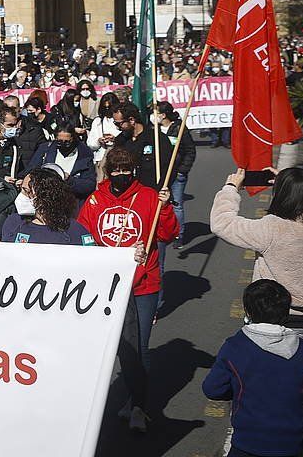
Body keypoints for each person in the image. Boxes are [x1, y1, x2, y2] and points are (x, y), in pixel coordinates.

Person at [77, 147, 178, 432]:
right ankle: (133, 393)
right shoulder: (96, 200)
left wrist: (166, 207)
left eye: (126, 169)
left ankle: (139, 406)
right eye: (116, 170)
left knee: (141, 345)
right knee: (121, 345)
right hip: (109, 284)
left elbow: (168, 234)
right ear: (108, 172)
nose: (121, 175)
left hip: (144, 284)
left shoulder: (149, 197)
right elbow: (84, 237)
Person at [203, 279, 303, 457]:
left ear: (248, 312)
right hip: (291, 444)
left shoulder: (235, 347)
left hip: (247, 442)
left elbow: (212, 389)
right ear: (286, 313)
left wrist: (237, 391)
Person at [210, 167, 303, 352]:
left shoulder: (273, 229)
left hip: (274, 331)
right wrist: (301, 185)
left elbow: (222, 224)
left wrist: (230, 188)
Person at [0, 166, 94, 245]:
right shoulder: (13, 223)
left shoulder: (74, 230)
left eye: (27, 191)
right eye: (21, 190)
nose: (21, 196)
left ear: (45, 197)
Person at [156, 101, 196, 249]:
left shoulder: (179, 128)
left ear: (163, 115)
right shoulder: (155, 129)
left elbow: (190, 151)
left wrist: (182, 170)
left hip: (177, 173)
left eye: (157, 113)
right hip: (160, 173)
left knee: (176, 205)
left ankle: (179, 234)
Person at [112, 102, 175, 191]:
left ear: (131, 120)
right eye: (115, 123)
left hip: (153, 191)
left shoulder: (156, 138)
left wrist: (161, 189)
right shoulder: (120, 141)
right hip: (129, 193)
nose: (117, 128)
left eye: (119, 124)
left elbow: (169, 168)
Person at [26, 124, 97, 201]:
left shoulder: (85, 154)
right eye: (59, 142)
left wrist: (70, 180)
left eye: (67, 142)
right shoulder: (45, 149)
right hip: (47, 199)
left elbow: (89, 185)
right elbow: (32, 171)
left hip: (72, 200)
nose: (63, 145)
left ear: (73, 138)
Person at [86, 92, 121, 165]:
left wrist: (115, 139)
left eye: (110, 107)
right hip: (101, 156)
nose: (108, 110)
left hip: (119, 156)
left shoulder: (121, 120)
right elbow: (90, 143)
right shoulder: (98, 121)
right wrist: (99, 141)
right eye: (105, 108)